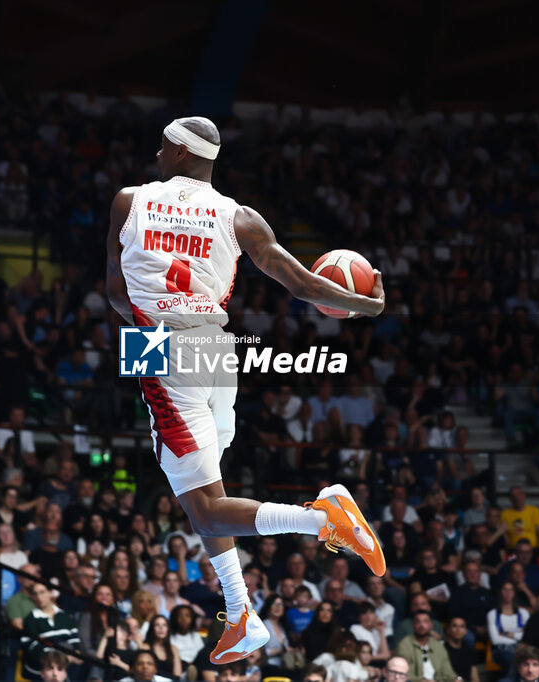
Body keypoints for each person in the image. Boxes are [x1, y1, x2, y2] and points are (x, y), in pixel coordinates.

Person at [106, 115, 387, 664]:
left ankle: (322, 518)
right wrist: (368, 305)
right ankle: (240, 614)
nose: (157, 155)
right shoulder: (240, 216)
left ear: (183, 153)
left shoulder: (128, 200)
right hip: (218, 347)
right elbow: (304, 285)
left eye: (164, 147)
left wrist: (144, 336)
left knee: (207, 507)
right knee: (203, 495)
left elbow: (117, 294)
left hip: (159, 348)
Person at [394, 610, 458, 682]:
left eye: (425, 622)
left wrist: (456, 679)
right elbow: (404, 673)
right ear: (413, 625)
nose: (422, 625)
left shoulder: (438, 646)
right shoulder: (404, 645)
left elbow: (448, 672)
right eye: (418, 622)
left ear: (431, 625)